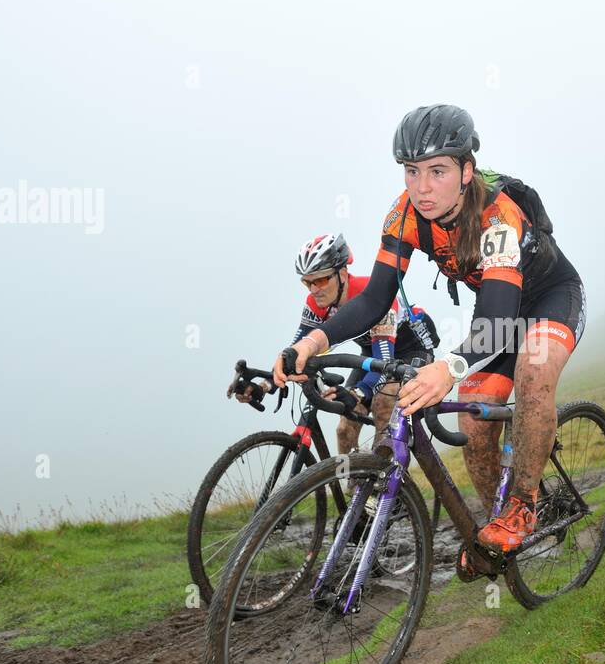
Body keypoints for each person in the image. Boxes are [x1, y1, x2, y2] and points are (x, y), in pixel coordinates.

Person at [273, 104, 586, 559]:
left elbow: (499, 320)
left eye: (437, 171)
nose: (422, 187)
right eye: (411, 171)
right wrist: (311, 342)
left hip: (546, 301)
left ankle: (522, 506)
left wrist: (450, 366)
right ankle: (496, 527)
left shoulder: (497, 217)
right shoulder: (405, 214)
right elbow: (374, 298)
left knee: (534, 373)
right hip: (497, 310)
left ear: (466, 171)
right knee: (474, 422)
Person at [237, 233, 437, 454]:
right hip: (373, 353)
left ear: (342, 273)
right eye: (307, 282)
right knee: (345, 428)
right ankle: (357, 485)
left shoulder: (373, 296)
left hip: (412, 349)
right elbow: (297, 354)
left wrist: (360, 393)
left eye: (321, 280)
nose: (314, 290)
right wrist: (264, 386)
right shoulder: (316, 303)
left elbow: (385, 361)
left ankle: (389, 480)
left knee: (383, 404)